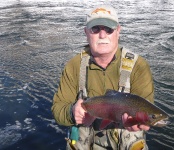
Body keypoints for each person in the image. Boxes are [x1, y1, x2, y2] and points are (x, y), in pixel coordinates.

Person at [52, 5, 154, 150]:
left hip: (125, 137)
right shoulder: (74, 66)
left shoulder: (139, 66)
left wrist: (141, 123)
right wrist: (72, 112)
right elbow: (58, 109)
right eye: (95, 29)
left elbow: (147, 107)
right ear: (86, 32)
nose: (102, 35)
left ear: (118, 31)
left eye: (109, 29)